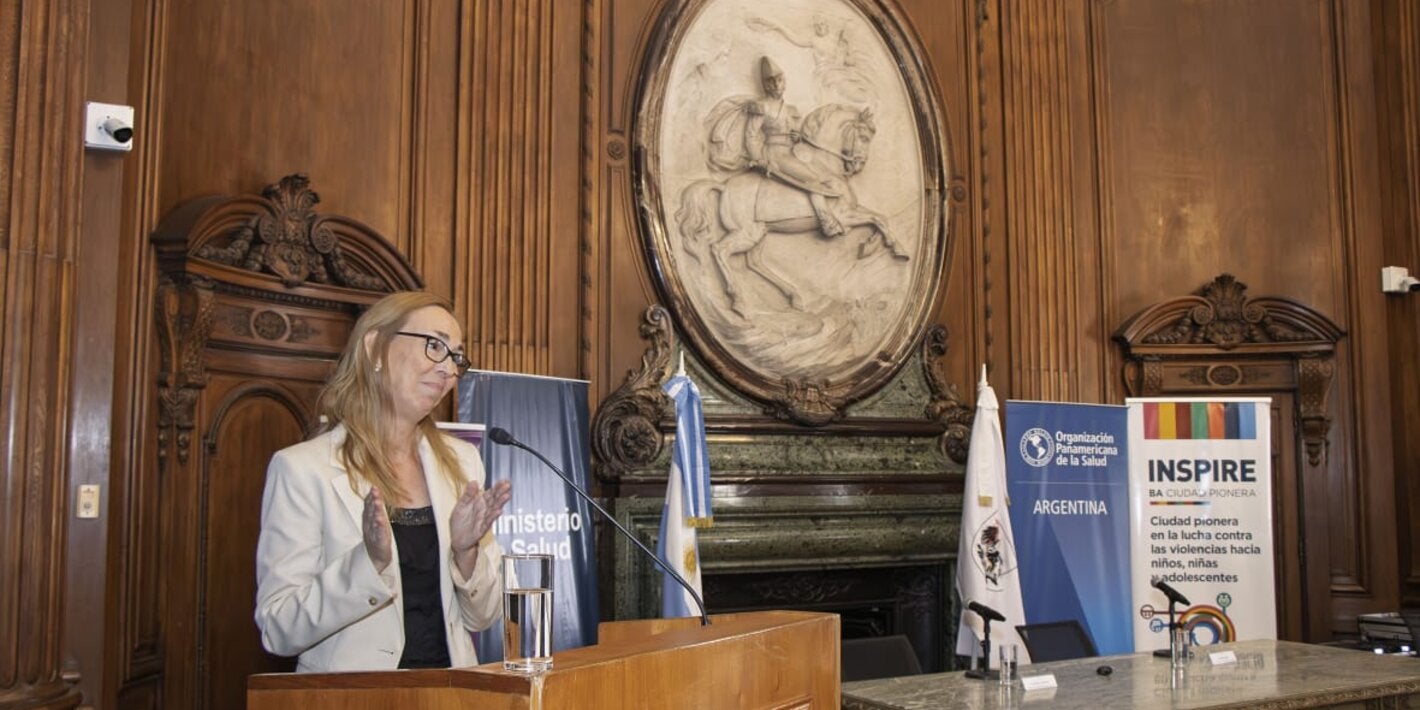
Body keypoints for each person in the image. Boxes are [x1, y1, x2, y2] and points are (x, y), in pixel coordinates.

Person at [254, 291, 513, 672]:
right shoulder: (302, 469)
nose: (449, 370)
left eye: (456, 356)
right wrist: (369, 563)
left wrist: (466, 552)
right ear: (375, 348)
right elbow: (278, 628)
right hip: (355, 695)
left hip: (452, 691)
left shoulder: (463, 462)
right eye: (435, 346)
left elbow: (484, 616)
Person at [743, 56, 848, 237]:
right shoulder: (761, 107)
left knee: (823, 172)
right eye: (771, 82)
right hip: (775, 154)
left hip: (791, 152)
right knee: (813, 179)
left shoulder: (790, 109)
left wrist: (796, 137)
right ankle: (827, 222)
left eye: (779, 80)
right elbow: (751, 134)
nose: (776, 85)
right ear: (766, 85)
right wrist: (758, 158)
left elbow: (793, 132)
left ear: (784, 82)